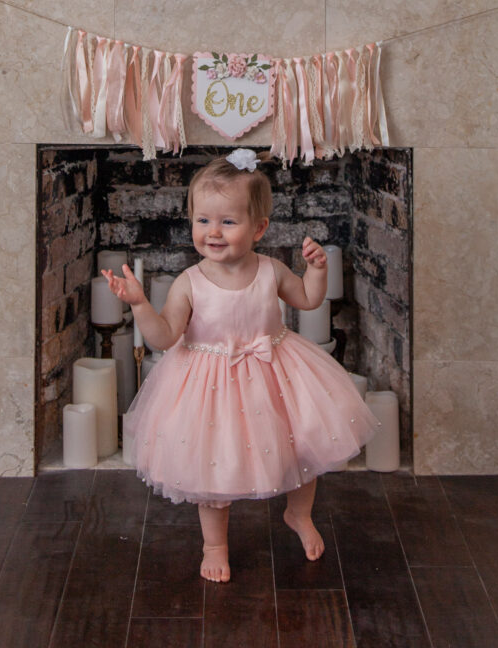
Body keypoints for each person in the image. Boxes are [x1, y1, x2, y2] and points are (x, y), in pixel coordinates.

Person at [102, 149, 379, 583]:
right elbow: (164, 337)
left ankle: (299, 514)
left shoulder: (271, 270)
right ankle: (214, 544)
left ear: (259, 229)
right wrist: (139, 304)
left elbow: (308, 300)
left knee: (305, 446)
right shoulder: (188, 283)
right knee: (212, 462)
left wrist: (317, 271)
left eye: (228, 222)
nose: (213, 232)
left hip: (276, 372)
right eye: (203, 220)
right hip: (209, 385)